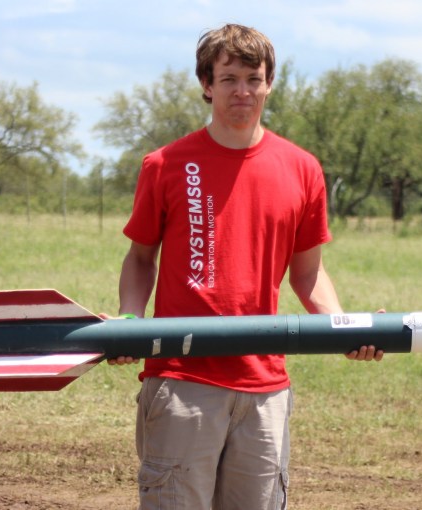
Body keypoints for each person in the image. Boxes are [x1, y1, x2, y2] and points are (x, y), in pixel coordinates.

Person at [109, 24, 383, 510]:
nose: (243, 91)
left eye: (253, 79)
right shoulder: (166, 164)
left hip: (264, 388)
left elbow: (308, 272)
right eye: (229, 78)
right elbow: (140, 257)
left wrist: (342, 326)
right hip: (181, 380)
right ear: (207, 84)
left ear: (269, 83)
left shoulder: (302, 168)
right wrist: (130, 321)